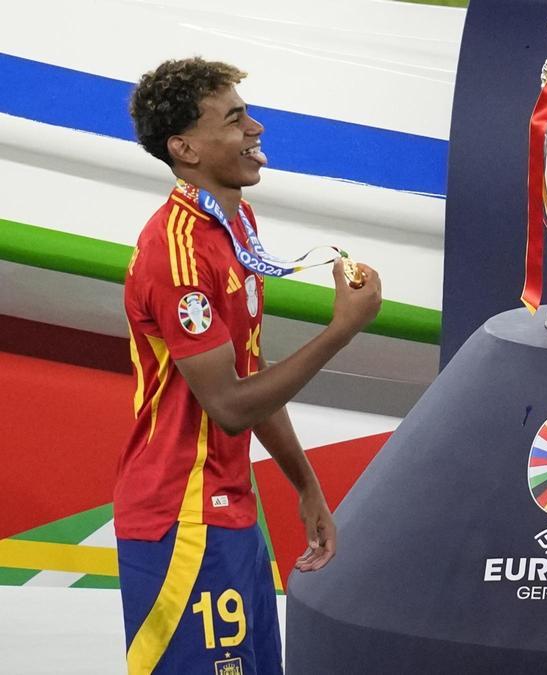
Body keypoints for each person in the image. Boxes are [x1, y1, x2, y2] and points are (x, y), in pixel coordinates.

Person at [115, 57, 382, 674]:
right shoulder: (175, 254)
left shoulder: (234, 224)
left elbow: (250, 380)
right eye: (235, 119)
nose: (256, 128)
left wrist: (306, 485)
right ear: (185, 148)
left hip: (229, 511)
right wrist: (341, 330)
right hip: (181, 521)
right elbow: (230, 406)